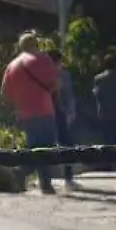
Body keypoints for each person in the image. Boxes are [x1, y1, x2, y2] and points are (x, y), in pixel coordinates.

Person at [0, 32, 63, 195]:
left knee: (35, 147)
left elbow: (5, 93)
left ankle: (44, 184)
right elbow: (55, 84)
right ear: (36, 44)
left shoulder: (12, 66)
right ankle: (21, 172)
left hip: (24, 113)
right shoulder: (42, 59)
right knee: (46, 148)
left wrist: (20, 101)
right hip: (44, 110)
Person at [45, 47, 81, 191]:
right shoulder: (49, 76)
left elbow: (68, 96)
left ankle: (67, 178)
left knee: (65, 145)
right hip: (51, 113)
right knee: (59, 145)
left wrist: (70, 113)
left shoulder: (62, 75)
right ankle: (61, 179)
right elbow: (69, 97)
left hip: (57, 113)